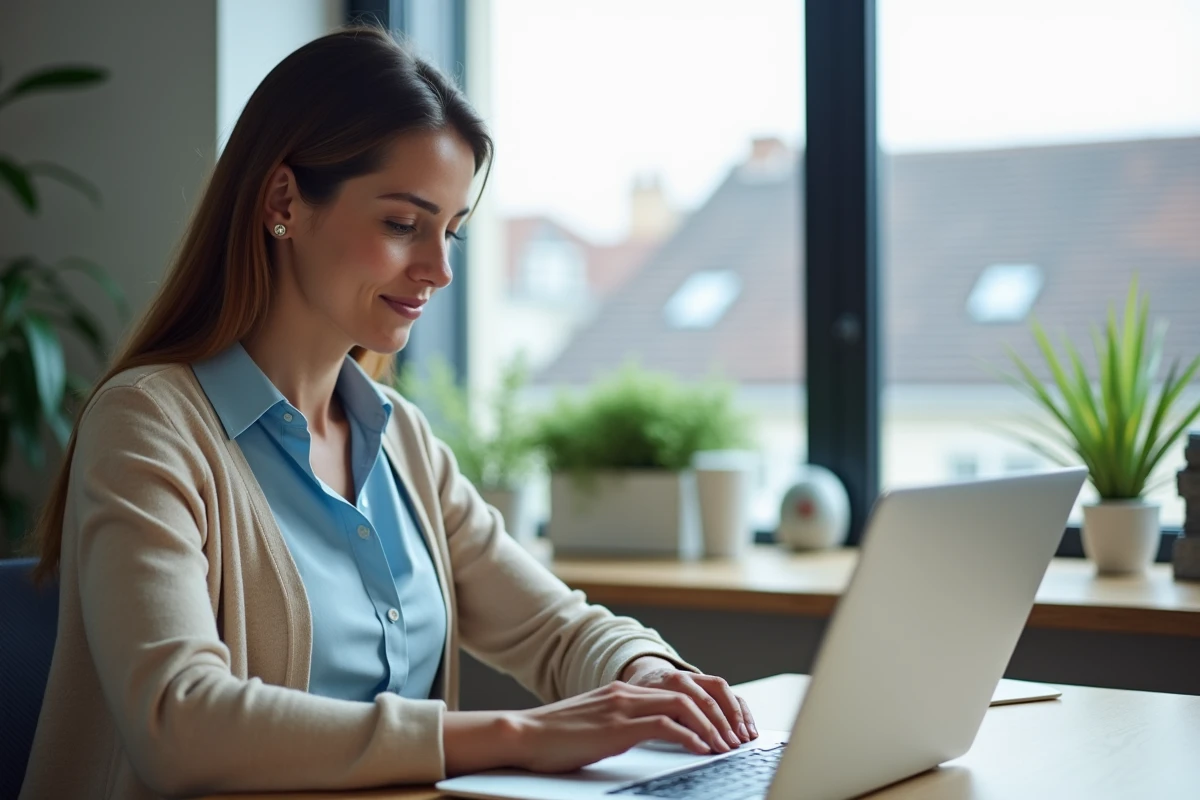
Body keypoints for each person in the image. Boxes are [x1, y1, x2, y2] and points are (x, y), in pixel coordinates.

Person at [20, 26, 756, 800]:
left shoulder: (400, 438)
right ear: (283, 202)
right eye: (404, 225)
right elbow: (181, 722)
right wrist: (519, 735)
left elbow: (554, 629)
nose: (439, 269)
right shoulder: (147, 425)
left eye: (452, 232)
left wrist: (655, 679)